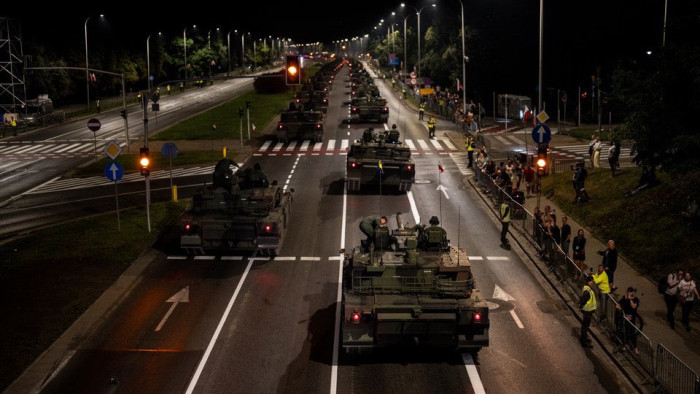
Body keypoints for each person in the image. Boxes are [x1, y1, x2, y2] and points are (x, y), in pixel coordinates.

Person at [616, 287, 640, 354]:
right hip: (625, 319)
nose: (630, 294)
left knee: (633, 333)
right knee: (625, 332)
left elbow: (634, 306)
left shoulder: (635, 299)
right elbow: (617, 305)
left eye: (631, 292)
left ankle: (635, 348)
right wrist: (620, 309)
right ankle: (625, 345)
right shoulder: (623, 299)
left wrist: (630, 300)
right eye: (629, 292)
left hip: (632, 319)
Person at [579, 276, 597, 348]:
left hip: (587, 311)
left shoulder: (587, 288)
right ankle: (584, 341)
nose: (592, 282)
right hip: (587, 311)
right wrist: (581, 306)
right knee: (585, 326)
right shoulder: (587, 290)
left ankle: (584, 338)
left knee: (585, 326)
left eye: (592, 281)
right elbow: (583, 300)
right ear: (587, 281)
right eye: (590, 281)